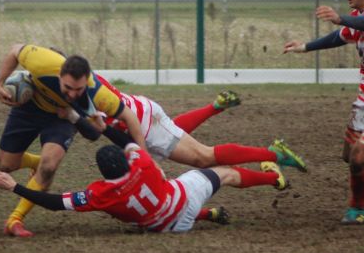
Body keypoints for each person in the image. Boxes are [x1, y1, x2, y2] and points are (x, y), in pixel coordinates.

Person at [0, 130, 291, 234]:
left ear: (102, 172)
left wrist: (15, 187)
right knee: (226, 173)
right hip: (183, 200)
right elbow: (126, 139)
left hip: (168, 228)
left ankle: (208, 215)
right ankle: (272, 178)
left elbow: (54, 203)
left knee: (145, 212)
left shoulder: (99, 194)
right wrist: (99, 126)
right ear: (124, 159)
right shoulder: (141, 163)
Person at [284, 0, 364, 224]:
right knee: (350, 156)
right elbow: (342, 36)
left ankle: (357, 209)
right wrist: (305, 47)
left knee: (360, 156)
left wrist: (339, 18)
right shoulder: (358, 18)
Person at [0, 44, 146, 237]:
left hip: (63, 117)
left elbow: (129, 116)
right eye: (67, 88)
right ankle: (37, 162)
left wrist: (144, 157)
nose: (73, 94)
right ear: (59, 76)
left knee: (49, 167)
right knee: (5, 165)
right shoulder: (42, 63)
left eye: (78, 89)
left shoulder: (96, 92)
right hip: (31, 108)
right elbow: (14, 50)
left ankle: (14, 219)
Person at [58, 73, 307, 177]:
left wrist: (142, 156)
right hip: (139, 126)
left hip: (143, 123)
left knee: (203, 157)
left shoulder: (81, 89)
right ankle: (270, 167)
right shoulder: (76, 82)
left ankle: (275, 153)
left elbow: (98, 130)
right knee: (181, 146)